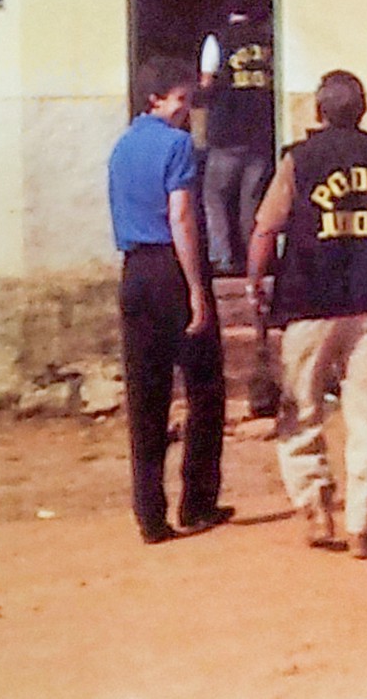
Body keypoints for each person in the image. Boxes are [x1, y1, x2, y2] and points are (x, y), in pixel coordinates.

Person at [246, 70, 367, 558]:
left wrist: (255, 281)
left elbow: (265, 229)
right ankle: (364, 525)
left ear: (319, 112)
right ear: (363, 110)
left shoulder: (298, 159)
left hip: (308, 299)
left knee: (301, 410)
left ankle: (315, 507)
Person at [106, 55, 232, 544]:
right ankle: (197, 503)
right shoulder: (178, 145)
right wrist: (197, 288)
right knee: (203, 389)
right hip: (171, 268)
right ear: (155, 99)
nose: (186, 110)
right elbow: (181, 216)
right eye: (181, 100)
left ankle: (150, 515)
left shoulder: (121, 147)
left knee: (146, 396)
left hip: (135, 269)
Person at [200, 0, 275, 276]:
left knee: (215, 197)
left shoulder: (216, 39)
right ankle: (254, 260)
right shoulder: (269, 40)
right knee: (251, 201)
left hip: (226, 133)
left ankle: (222, 258)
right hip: (259, 132)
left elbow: (207, 83)